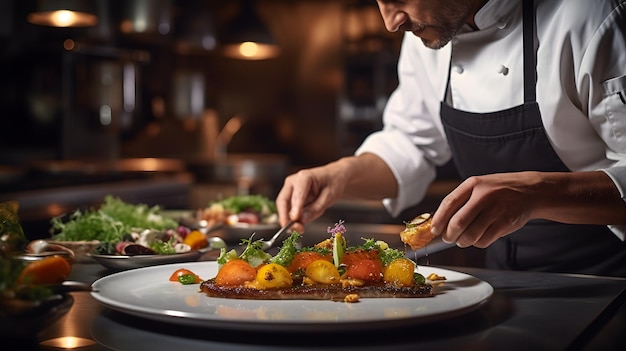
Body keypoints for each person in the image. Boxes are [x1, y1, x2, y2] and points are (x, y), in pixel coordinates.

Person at [276, 0, 626, 277]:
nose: (390, 22)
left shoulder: (591, 18)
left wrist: (535, 195)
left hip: (607, 280)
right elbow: (411, 144)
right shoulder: (427, 33)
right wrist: (338, 176)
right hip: (506, 278)